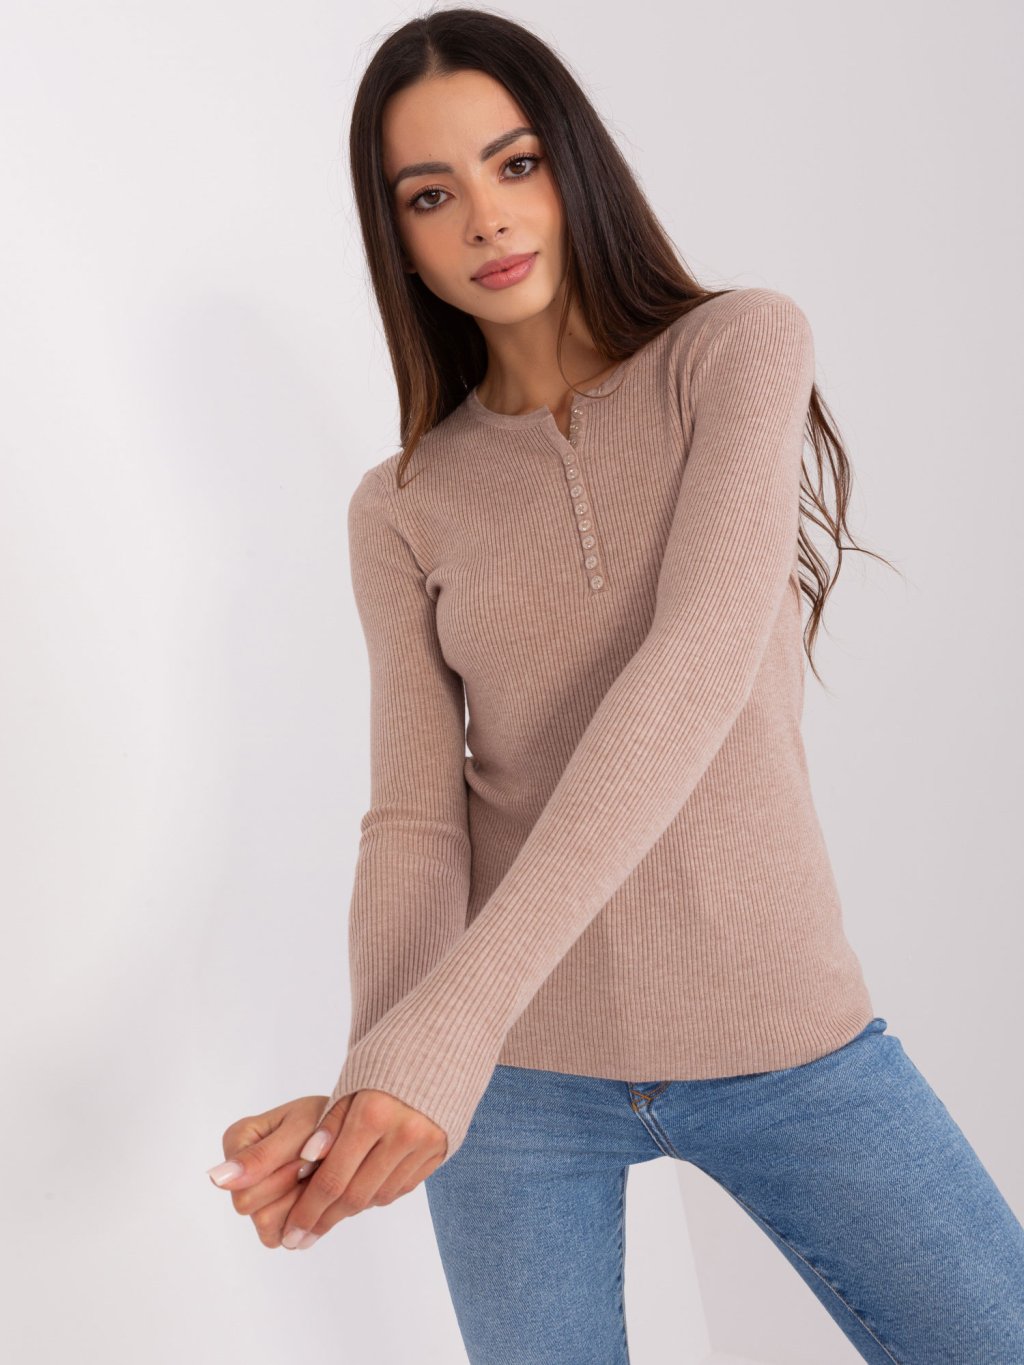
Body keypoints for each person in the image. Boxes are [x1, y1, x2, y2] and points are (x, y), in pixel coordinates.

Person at [207, 8, 1024, 1361]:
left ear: (573, 164)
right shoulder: (399, 506)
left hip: (780, 1028)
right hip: (515, 1081)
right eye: (430, 194)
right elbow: (415, 821)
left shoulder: (736, 350)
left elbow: (693, 669)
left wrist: (442, 1032)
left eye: (514, 163)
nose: (485, 216)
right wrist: (381, 1080)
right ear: (396, 237)